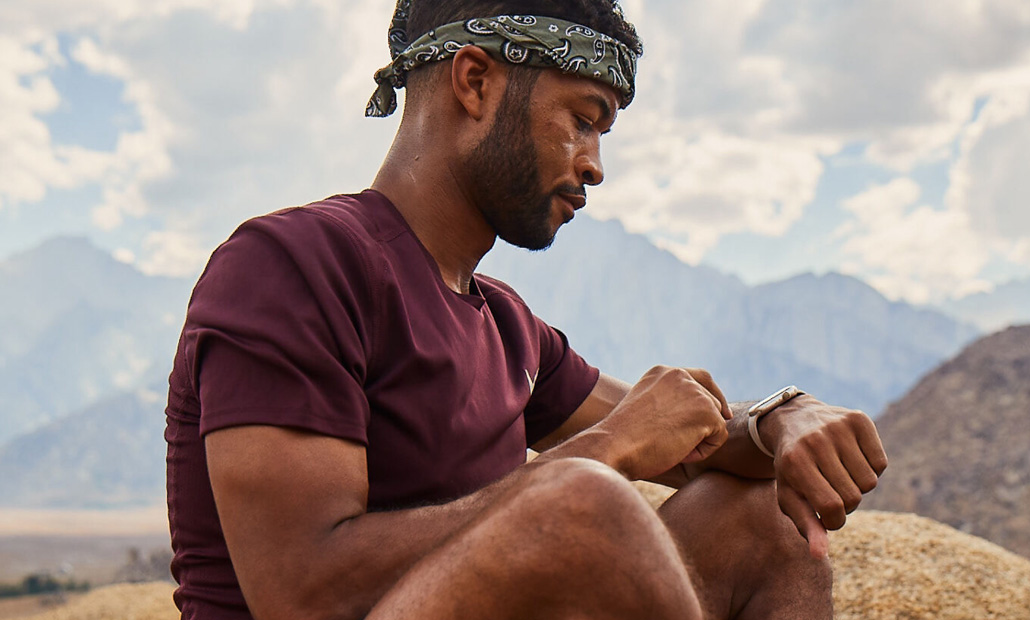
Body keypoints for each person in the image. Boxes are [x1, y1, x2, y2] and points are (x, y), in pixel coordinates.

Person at [164, 1, 889, 618]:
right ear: (475, 82)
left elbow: (693, 440)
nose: (594, 165)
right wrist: (607, 450)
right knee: (580, 503)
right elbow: (299, 591)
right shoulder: (292, 265)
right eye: (582, 119)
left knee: (758, 518)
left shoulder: (508, 328)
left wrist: (782, 417)